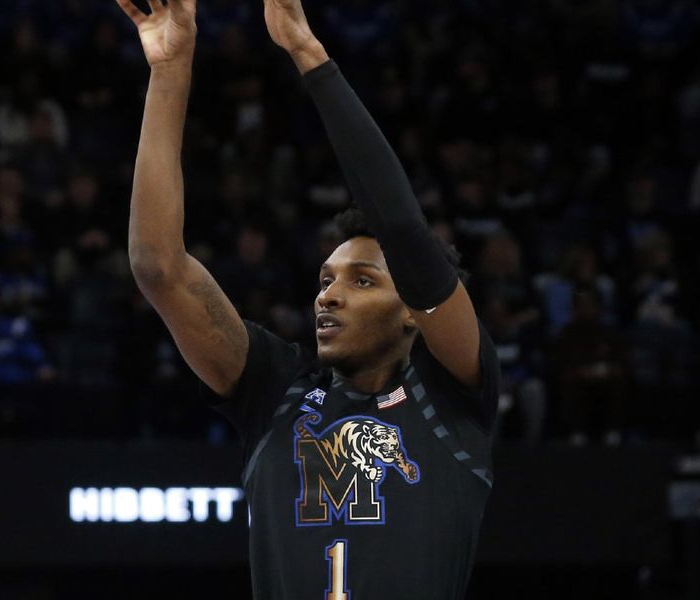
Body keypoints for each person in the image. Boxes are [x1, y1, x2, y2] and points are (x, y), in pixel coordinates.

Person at [118, 0, 500, 598]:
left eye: (362, 280)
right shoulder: (274, 389)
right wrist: (170, 72)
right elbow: (158, 268)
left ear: (413, 313)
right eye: (325, 280)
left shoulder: (454, 394)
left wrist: (307, 53)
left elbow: (401, 227)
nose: (331, 297)